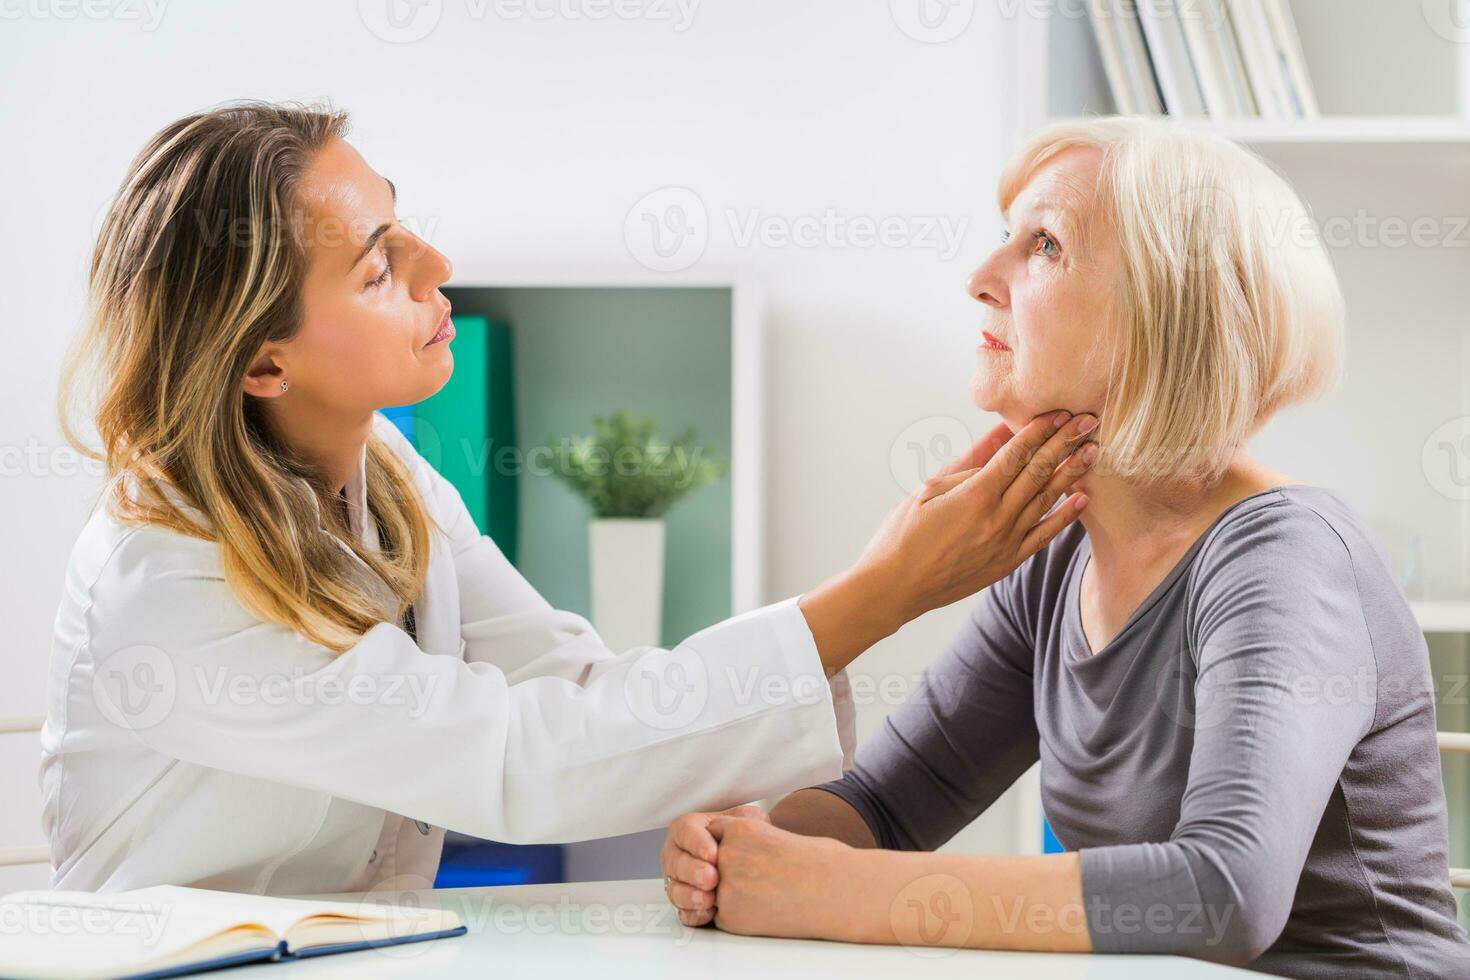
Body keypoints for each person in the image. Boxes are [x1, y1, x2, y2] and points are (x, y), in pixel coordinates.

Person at [42, 100, 1097, 896]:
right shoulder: (168, 577)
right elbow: (516, 760)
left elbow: (577, 682)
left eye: (403, 225)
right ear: (264, 367)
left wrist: (712, 788)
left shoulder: (391, 478)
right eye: (376, 270)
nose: (437, 262)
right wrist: (886, 589)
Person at [660, 116, 1470, 979]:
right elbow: (891, 805)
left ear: (1165, 310)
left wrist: (835, 891)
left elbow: (1225, 893)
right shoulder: (1059, 561)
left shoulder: (1285, 557)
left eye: (1044, 245)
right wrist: (744, 849)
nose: (980, 279)